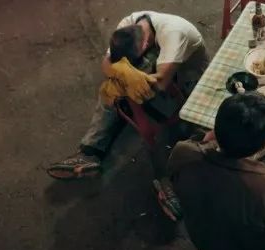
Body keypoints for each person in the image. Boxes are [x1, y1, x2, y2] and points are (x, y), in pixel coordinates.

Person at [47, 11, 208, 179]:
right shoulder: (127, 24)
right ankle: (89, 153)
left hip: (187, 77)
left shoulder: (174, 34)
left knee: (124, 89)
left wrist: (124, 83)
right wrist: (122, 77)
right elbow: (107, 63)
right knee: (114, 83)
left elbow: (161, 82)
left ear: (145, 45)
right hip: (158, 60)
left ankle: (182, 147)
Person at [170, 93, 265, 250]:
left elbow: (177, 181)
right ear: (263, 146)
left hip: (199, 238)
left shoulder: (183, 151)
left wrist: (207, 143)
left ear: (215, 128)